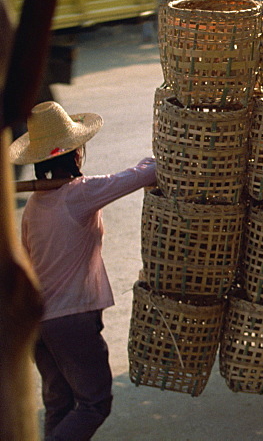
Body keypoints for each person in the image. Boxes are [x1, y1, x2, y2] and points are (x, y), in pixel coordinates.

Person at [12, 101, 156, 440]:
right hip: (70, 319)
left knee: (60, 405)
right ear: (76, 154)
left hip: (38, 321)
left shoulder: (35, 204)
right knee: (94, 403)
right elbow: (146, 173)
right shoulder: (79, 194)